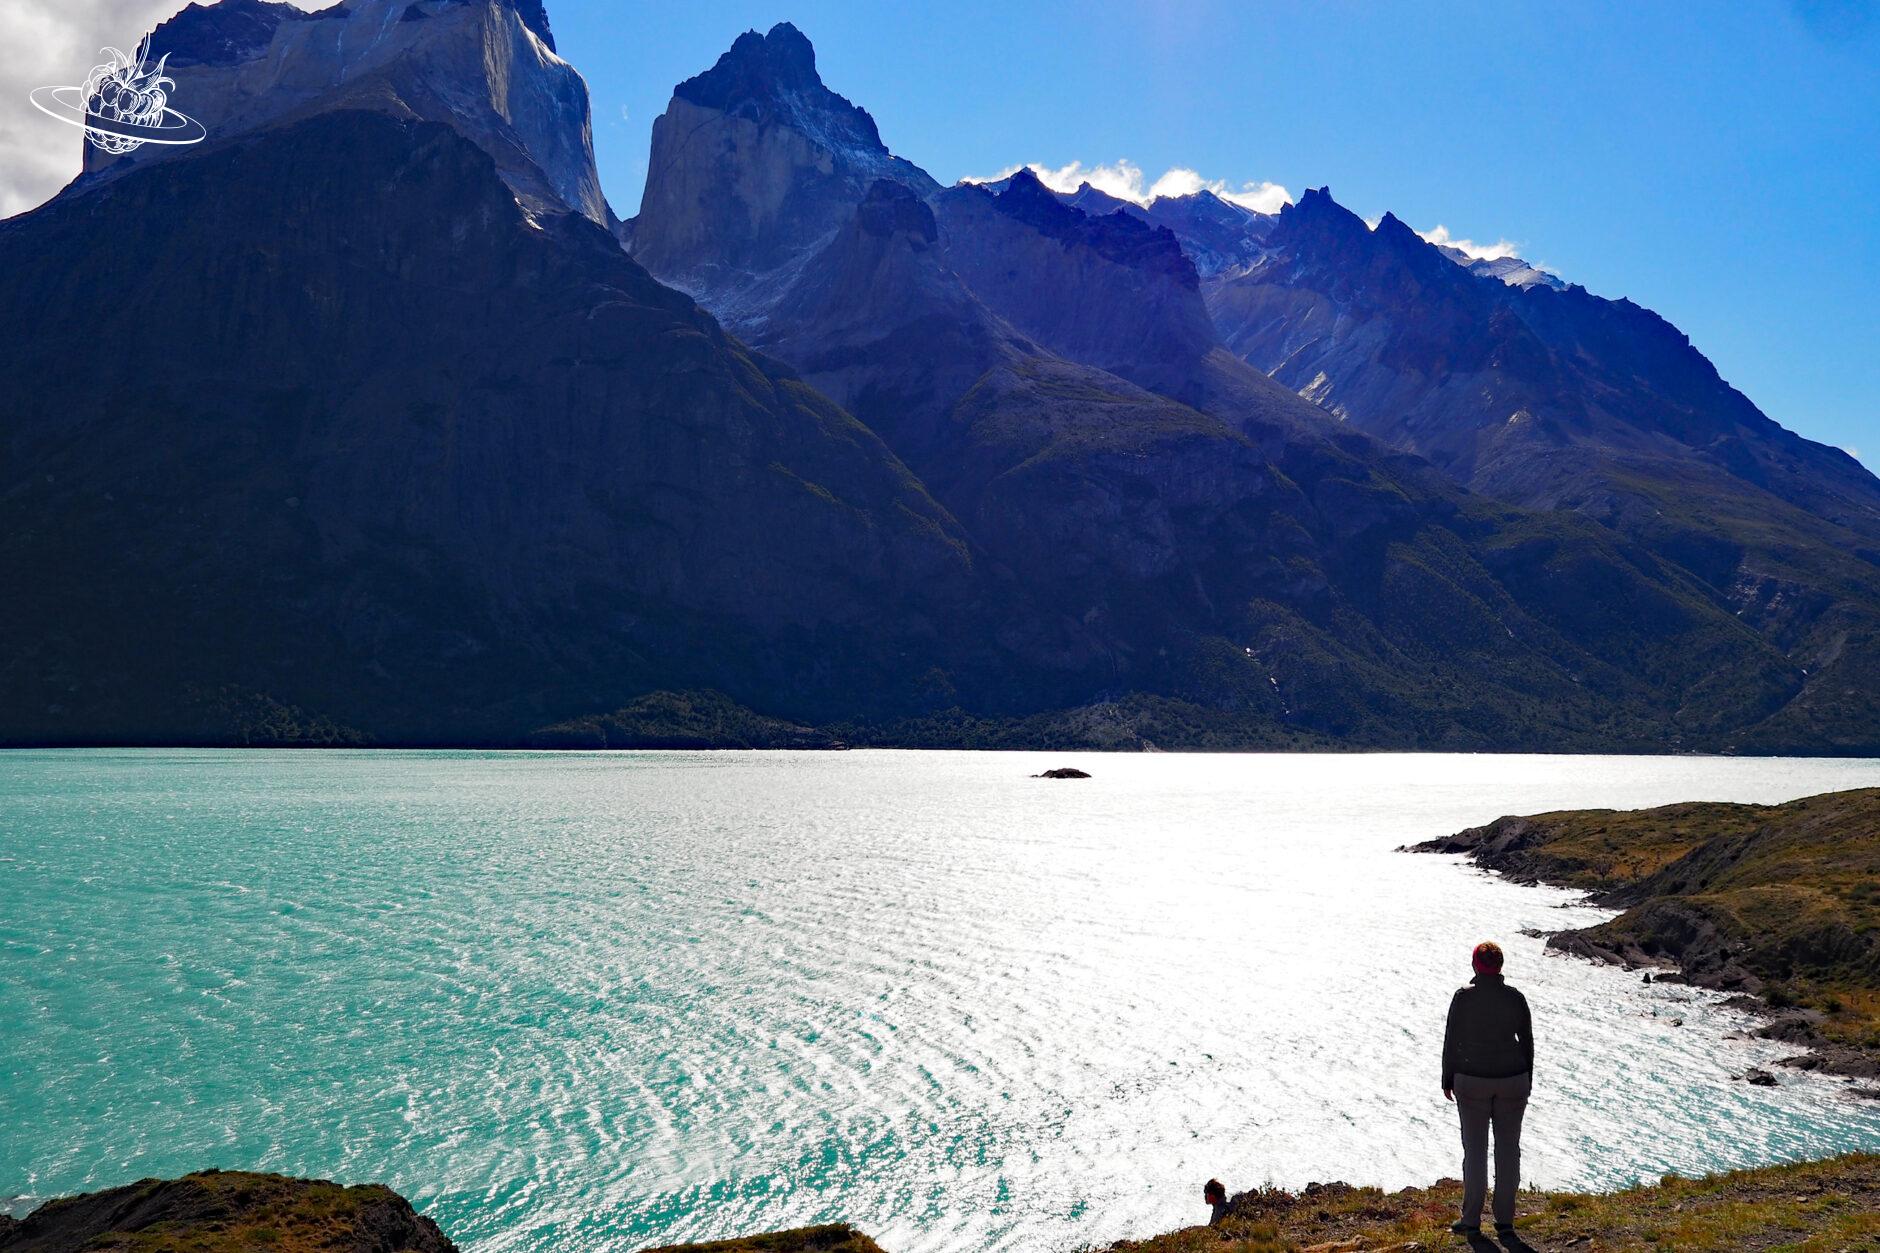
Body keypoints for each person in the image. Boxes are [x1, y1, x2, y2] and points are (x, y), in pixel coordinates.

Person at [1441, 940, 1533, 1239]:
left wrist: (1447, 1077)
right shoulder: (1515, 998)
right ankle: (1505, 1221)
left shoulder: (1463, 998)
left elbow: (1451, 1040)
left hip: (1472, 1080)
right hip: (1513, 1080)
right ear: (1500, 966)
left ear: (1475, 966)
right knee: (1509, 1151)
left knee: (1475, 1151)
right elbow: (1527, 1042)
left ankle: (1471, 1220)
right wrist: (1527, 1077)